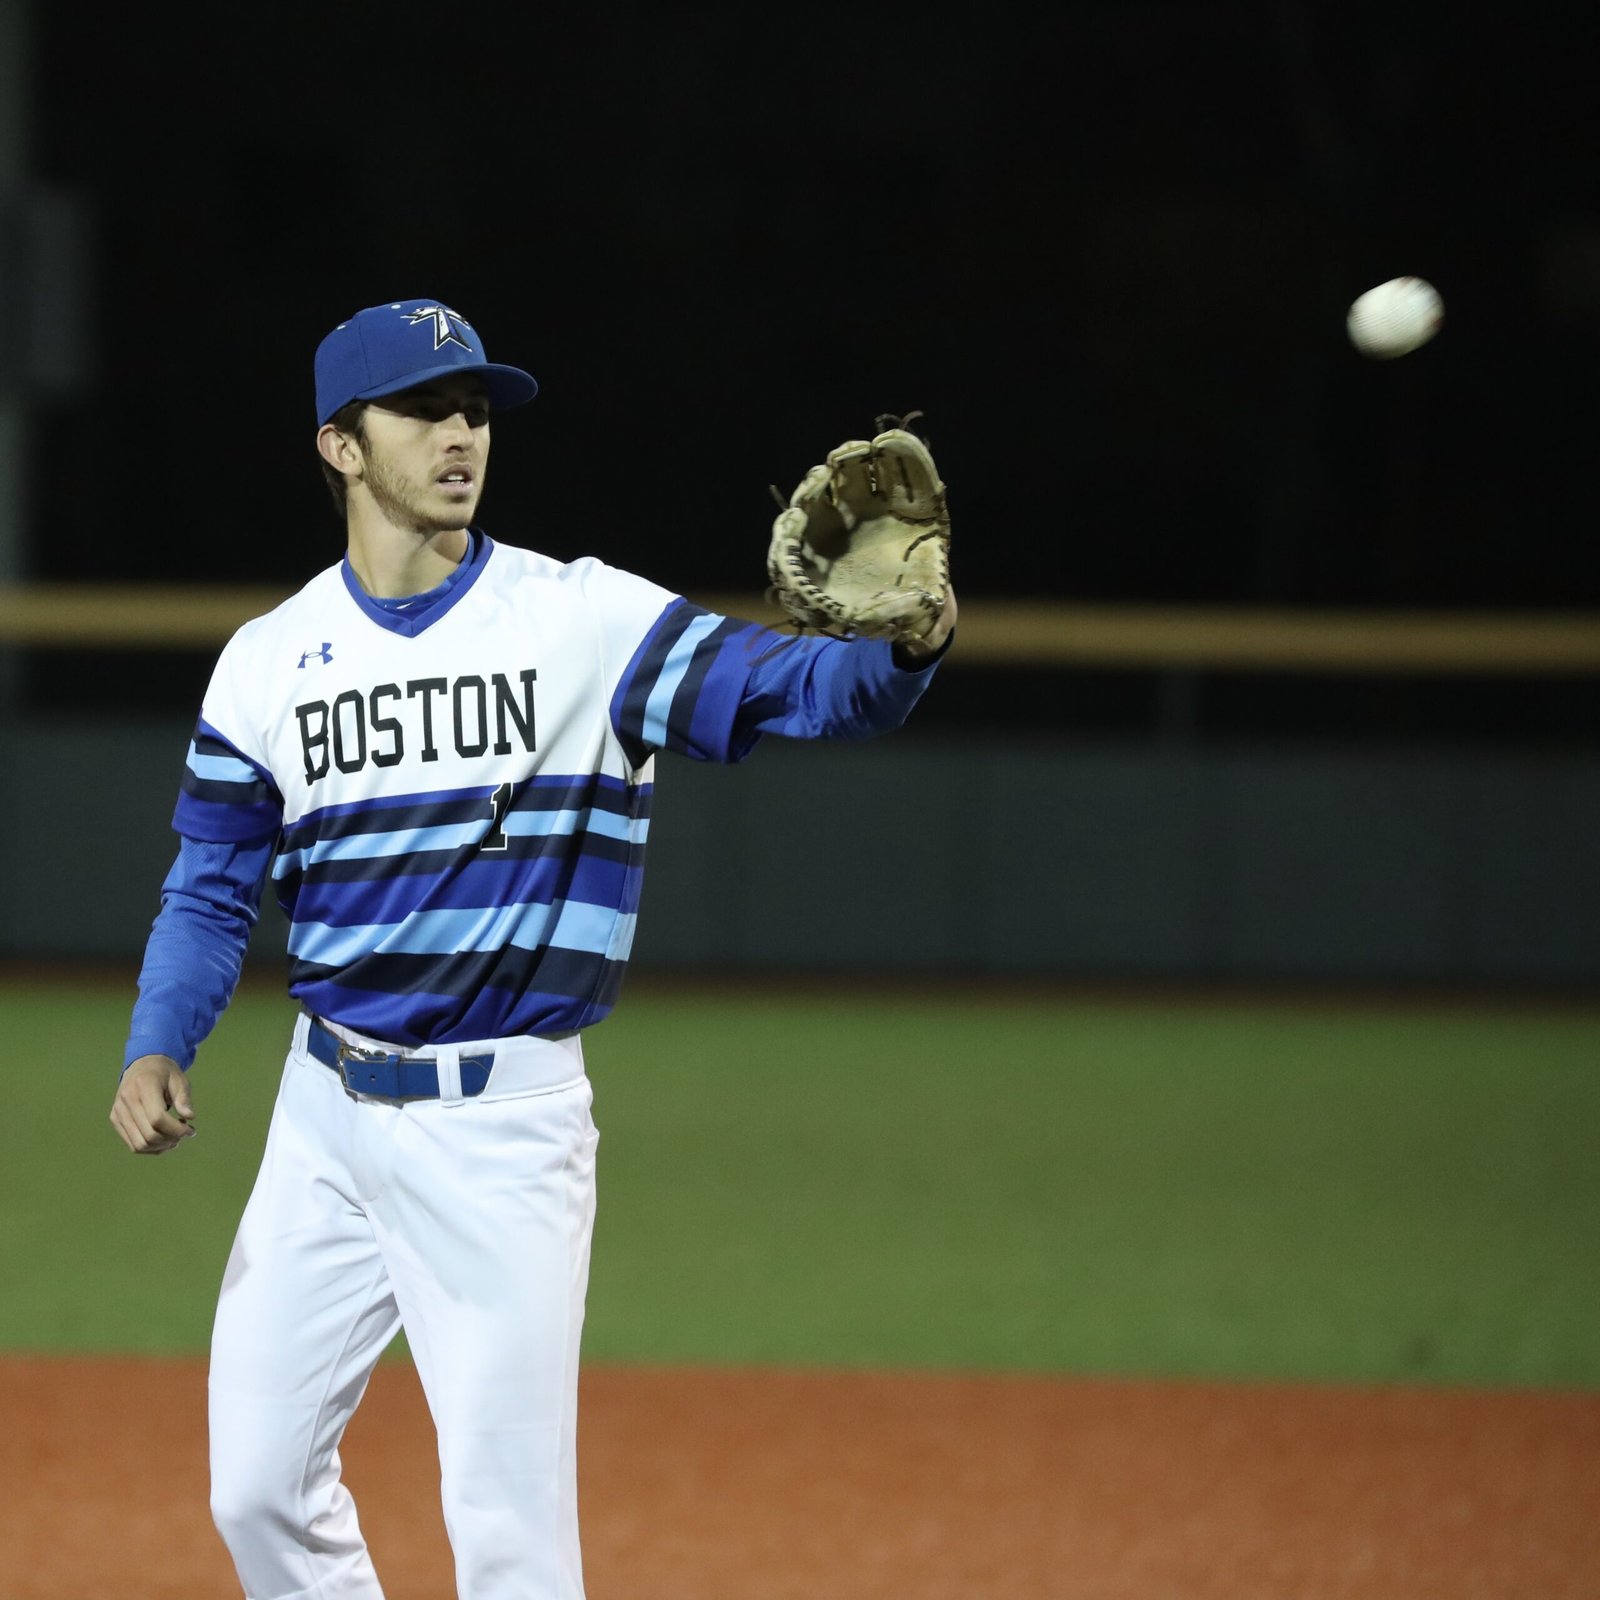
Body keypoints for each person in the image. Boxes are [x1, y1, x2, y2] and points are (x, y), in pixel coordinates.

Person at [108, 296, 954, 1600]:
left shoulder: (583, 623)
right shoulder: (265, 665)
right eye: (425, 410)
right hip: (322, 1116)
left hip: (502, 1133)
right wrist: (159, 1041)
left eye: (476, 410)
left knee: (507, 1539)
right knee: (256, 1488)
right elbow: (212, 884)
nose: (461, 435)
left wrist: (907, 643)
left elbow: (802, 690)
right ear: (341, 445)